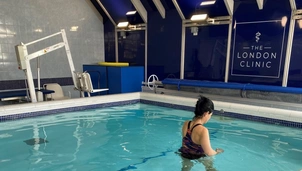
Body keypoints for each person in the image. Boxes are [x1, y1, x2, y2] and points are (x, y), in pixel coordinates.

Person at [178, 95, 223, 170]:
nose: (209, 118)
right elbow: (209, 153)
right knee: (210, 167)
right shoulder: (203, 130)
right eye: (210, 115)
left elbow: (185, 143)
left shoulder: (186, 124)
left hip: (185, 154)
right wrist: (217, 152)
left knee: (185, 169)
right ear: (206, 113)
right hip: (199, 156)